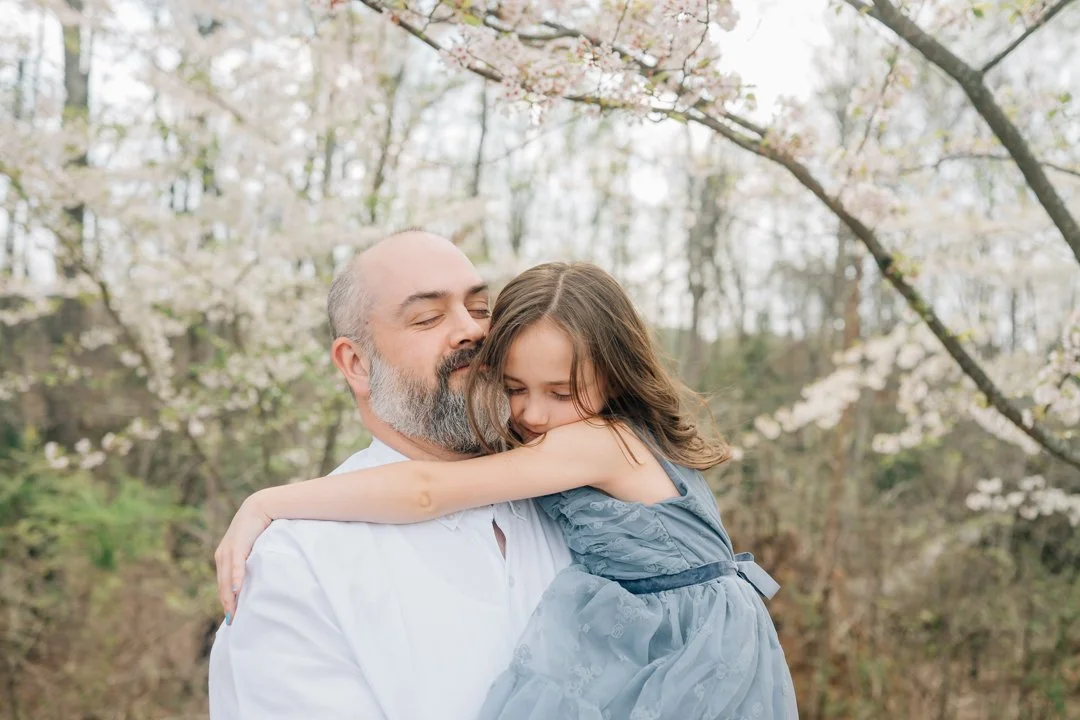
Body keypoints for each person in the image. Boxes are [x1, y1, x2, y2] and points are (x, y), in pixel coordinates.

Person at [216, 261, 800, 719]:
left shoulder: (597, 441)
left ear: (614, 375)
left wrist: (268, 501)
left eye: (561, 392)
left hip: (690, 649)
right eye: (515, 387)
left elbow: (425, 490)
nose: (534, 414)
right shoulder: (582, 437)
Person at [207, 231, 572, 720]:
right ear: (356, 364)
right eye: (428, 317)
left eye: (481, 308)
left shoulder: (581, 489)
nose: (473, 331)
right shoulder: (298, 566)